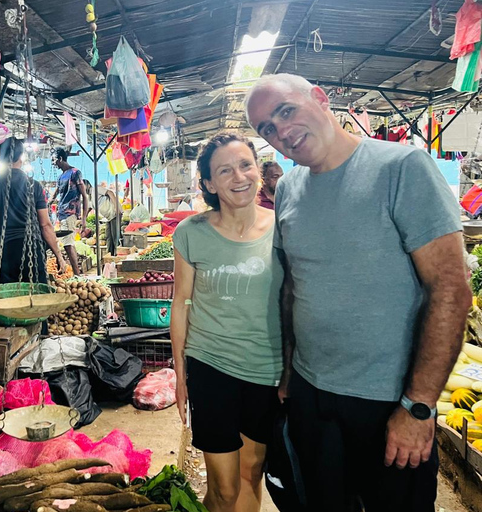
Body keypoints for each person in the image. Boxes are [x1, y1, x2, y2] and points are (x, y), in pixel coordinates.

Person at [245, 73, 470, 511]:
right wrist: (290, 371)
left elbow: (450, 288)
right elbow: (294, 286)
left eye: (286, 111)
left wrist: (419, 406)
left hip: (388, 400)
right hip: (312, 395)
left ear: (321, 98)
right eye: (266, 129)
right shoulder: (289, 188)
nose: (281, 131)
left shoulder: (401, 167)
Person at [171, 132, 282, 512]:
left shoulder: (284, 226)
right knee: (224, 489)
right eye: (225, 170)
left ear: (258, 171)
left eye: (245, 165)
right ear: (208, 183)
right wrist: (180, 372)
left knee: (252, 475)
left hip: (267, 369)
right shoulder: (191, 233)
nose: (239, 177)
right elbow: (181, 302)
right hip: (211, 365)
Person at [0, 138, 66, 284]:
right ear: (22, 157)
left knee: (8, 298)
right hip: (32, 250)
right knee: (37, 298)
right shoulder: (34, 186)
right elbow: (45, 225)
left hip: (4, 251)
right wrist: (59, 256)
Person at [53, 148, 89, 274]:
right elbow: (57, 192)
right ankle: (70, 273)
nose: (54, 163)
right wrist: (49, 201)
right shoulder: (60, 177)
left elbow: (85, 196)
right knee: (64, 243)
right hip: (61, 214)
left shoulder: (75, 173)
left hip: (70, 213)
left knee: (68, 244)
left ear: (61, 159)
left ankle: (77, 275)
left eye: (54, 160)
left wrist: (83, 220)